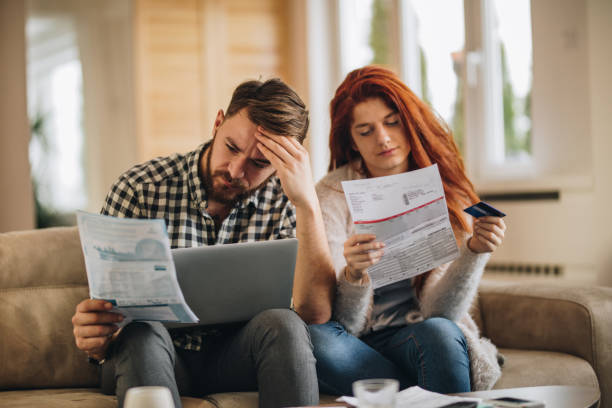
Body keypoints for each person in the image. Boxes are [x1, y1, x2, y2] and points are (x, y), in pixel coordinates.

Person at [71, 78, 336, 408]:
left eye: (259, 163)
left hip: (237, 358)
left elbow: (315, 313)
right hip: (152, 353)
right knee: (141, 333)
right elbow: (105, 320)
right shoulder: (140, 188)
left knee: (284, 324)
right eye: (232, 147)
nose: (236, 170)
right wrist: (95, 338)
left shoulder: (287, 198)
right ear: (217, 123)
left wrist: (307, 204)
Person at [309, 66, 507, 396]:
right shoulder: (331, 194)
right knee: (316, 341)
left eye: (392, 122)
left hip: (420, 334)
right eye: (365, 130)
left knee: (440, 334)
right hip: (358, 342)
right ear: (353, 142)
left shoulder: (443, 189)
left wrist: (474, 252)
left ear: (408, 122)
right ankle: (417, 390)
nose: (383, 138)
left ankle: (391, 391)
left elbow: (440, 314)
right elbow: (340, 323)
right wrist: (355, 275)